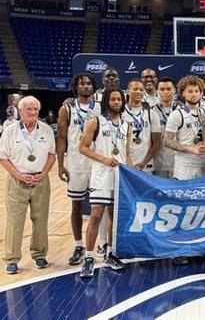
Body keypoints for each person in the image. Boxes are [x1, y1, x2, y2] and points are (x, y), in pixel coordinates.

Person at [79, 87, 132, 278]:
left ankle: (110, 254)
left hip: (119, 176)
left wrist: (131, 174)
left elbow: (127, 152)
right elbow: (83, 148)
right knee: (96, 215)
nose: (116, 102)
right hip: (101, 175)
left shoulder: (127, 124)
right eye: (113, 99)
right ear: (107, 101)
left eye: (119, 99)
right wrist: (103, 159)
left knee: (114, 217)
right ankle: (89, 257)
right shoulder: (96, 121)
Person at [0, 96, 56, 274]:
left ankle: (39, 255)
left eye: (35, 109)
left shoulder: (46, 130)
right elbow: (3, 157)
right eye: (29, 109)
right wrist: (20, 175)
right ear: (21, 111)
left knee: (41, 220)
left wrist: (43, 174)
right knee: (15, 221)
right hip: (17, 181)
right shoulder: (10, 130)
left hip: (40, 180)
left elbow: (51, 155)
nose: (33, 112)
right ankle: (11, 258)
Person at [57, 73, 101, 266]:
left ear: (93, 86)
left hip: (97, 162)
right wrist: (60, 165)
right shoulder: (67, 108)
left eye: (89, 83)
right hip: (76, 163)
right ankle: (78, 245)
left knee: (101, 207)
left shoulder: (100, 106)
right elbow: (62, 138)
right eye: (82, 84)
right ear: (76, 87)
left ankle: (103, 245)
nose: (85, 86)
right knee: (76, 206)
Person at [163, 75, 205, 180]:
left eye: (197, 91)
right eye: (190, 91)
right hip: (184, 165)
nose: (194, 94)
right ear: (183, 93)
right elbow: (166, 141)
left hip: (203, 164)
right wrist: (190, 149)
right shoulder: (177, 114)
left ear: (201, 93)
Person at [123, 78, 161, 174]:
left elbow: (156, 143)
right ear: (127, 91)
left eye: (141, 90)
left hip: (145, 165)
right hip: (124, 163)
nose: (138, 92)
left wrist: (143, 163)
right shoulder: (120, 113)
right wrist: (128, 163)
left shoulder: (151, 113)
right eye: (135, 89)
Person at [153, 77, 181, 178]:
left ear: (174, 90)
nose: (165, 92)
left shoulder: (183, 110)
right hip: (159, 163)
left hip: (179, 162)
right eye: (162, 89)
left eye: (169, 89)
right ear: (157, 92)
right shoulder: (151, 112)